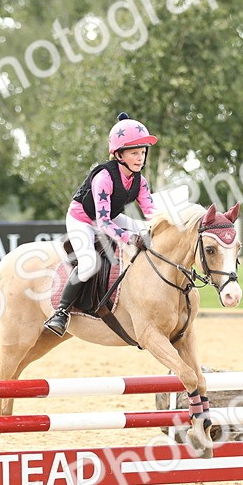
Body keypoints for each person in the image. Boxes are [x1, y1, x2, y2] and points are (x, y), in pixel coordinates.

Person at [42, 112, 157, 337]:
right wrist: (131, 238)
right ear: (119, 154)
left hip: (109, 216)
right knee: (88, 263)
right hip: (82, 219)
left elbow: (152, 214)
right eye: (134, 153)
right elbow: (102, 223)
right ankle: (61, 312)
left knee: (145, 228)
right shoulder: (103, 178)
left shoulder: (140, 181)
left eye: (143, 152)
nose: (140, 158)